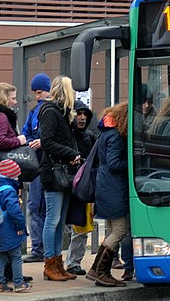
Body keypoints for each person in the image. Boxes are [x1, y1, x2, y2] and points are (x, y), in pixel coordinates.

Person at [37, 76, 81, 282]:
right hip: (54, 172)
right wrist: (70, 153)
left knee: (59, 221)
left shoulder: (60, 113)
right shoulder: (51, 112)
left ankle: (56, 264)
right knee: (53, 219)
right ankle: (50, 263)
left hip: (61, 170)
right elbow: (46, 141)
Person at [0, 83, 34, 285]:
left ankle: (4, 276)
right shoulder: (1, 117)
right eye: (13, 97)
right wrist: (19, 139)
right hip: (2, 167)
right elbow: (0, 141)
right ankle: (11, 276)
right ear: (4, 98)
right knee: (9, 220)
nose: (16, 102)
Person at [86, 102, 129, 287]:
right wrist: (132, 166)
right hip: (113, 186)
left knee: (112, 229)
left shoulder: (106, 132)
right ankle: (100, 271)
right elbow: (114, 163)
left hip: (105, 184)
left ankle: (98, 270)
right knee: (120, 229)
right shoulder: (116, 136)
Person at [62, 102, 95, 276]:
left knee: (80, 227)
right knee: (63, 225)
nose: (82, 117)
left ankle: (74, 262)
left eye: (85, 114)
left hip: (82, 188)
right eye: (78, 113)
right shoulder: (66, 136)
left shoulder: (89, 137)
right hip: (66, 185)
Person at [20, 73, 50, 263]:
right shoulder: (38, 111)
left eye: (39, 92)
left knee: (36, 207)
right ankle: (43, 249)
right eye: (35, 93)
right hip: (42, 165)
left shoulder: (38, 112)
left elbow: (26, 134)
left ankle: (40, 248)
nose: (37, 96)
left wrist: (33, 140)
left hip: (40, 165)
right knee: (42, 208)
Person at [0, 159, 31, 293]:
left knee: (3, 256)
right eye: (16, 176)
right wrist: (20, 227)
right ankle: (19, 283)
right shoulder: (8, 190)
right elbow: (14, 212)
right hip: (8, 228)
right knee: (16, 256)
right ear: (11, 176)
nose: (18, 178)